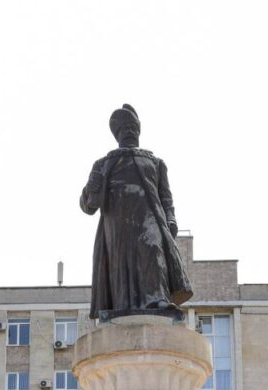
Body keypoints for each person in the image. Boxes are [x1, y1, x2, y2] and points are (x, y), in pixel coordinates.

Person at [80, 103, 192, 320]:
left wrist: (171, 218)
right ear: (117, 134)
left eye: (133, 127)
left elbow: (166, 197)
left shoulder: (155, 163)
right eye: (125, 128)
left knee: (152, 250)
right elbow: (88, 206)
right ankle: (121, 306)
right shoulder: (104, 163)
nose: (130, 131)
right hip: (117, 222)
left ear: (139, 130)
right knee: (120, 263)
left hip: (150, 218)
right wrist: (92, 186)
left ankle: (157, 299)